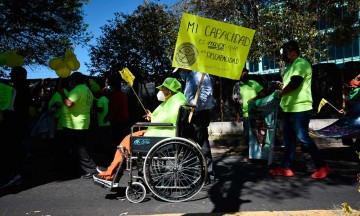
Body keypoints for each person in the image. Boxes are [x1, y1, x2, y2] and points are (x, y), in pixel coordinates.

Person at [93, 77, 187, 184]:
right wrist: (152, 116)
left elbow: (169, 118)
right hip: (159, 132)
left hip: (161, 135)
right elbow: (166, 116)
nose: (161, 92)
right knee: (127, 142)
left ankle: (110, 174)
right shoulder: (173, 99)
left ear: (169, 90)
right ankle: (111, 172)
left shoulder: (175, 100)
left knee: (127, 142)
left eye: (163, 89)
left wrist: (153, 118)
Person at [269, 40, 330, 179]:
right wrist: (282, 87)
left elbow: (296, 83)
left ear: (292, 52)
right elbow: (290, 84)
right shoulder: (291, 67)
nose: (282, 56)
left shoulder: (301, 63)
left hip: (299, 108)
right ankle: (286, 168)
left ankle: (322, 166)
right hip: (289, 108)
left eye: (284, 53)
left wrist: (282, 92)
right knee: (289, 140)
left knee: (303, 138)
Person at [174, 68, 215, 181]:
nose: (180, 72)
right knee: (189, 142)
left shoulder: (200, 75)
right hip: (190, 113)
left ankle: (208, 173)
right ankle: (190, 173)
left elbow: (207, 90)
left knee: (201, 142)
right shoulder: (188, 77)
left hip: (200, 112)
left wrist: (196, 105)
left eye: (180, 69)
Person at [57, 72, 97, 179]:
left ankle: (91, 169)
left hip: (74, 124)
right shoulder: (88, 90)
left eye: (71, 81)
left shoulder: (78, 89)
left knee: (78, 148)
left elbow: (69, 103)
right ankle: (81, 170)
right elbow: (92, 107)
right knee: (79, 147)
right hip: (83, 122)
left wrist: (61, 92)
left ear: (74, 81)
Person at [0, 66, 31, 189]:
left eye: (12, 74)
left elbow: (10, 108)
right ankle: (19, 174)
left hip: (12, 124)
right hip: (21, 124)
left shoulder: (14, 89)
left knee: (10, 150)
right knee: (17, 148)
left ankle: (13, 175)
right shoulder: (24, 88)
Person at [233, 68, 266, 149]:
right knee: (248, 135)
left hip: (257, 114)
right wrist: (237, 114)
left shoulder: (253, 83)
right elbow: (236, 101)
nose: (246, 75)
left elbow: (263, 94)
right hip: (246, 115)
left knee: (259, 135)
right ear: (239, 75)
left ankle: (260, 153)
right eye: (244, 74)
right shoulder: (237, 86)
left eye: (247, 73)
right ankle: (251, 154)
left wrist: (254, 99)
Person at [105, 77, 129, 149]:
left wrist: (107, 117)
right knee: (122, 139)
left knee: (117, 140)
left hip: (117, 121)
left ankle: (117, 154)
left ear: (114, 87)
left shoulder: (115, 96)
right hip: (124, 120)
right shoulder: (123, 94)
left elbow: (113, 109)